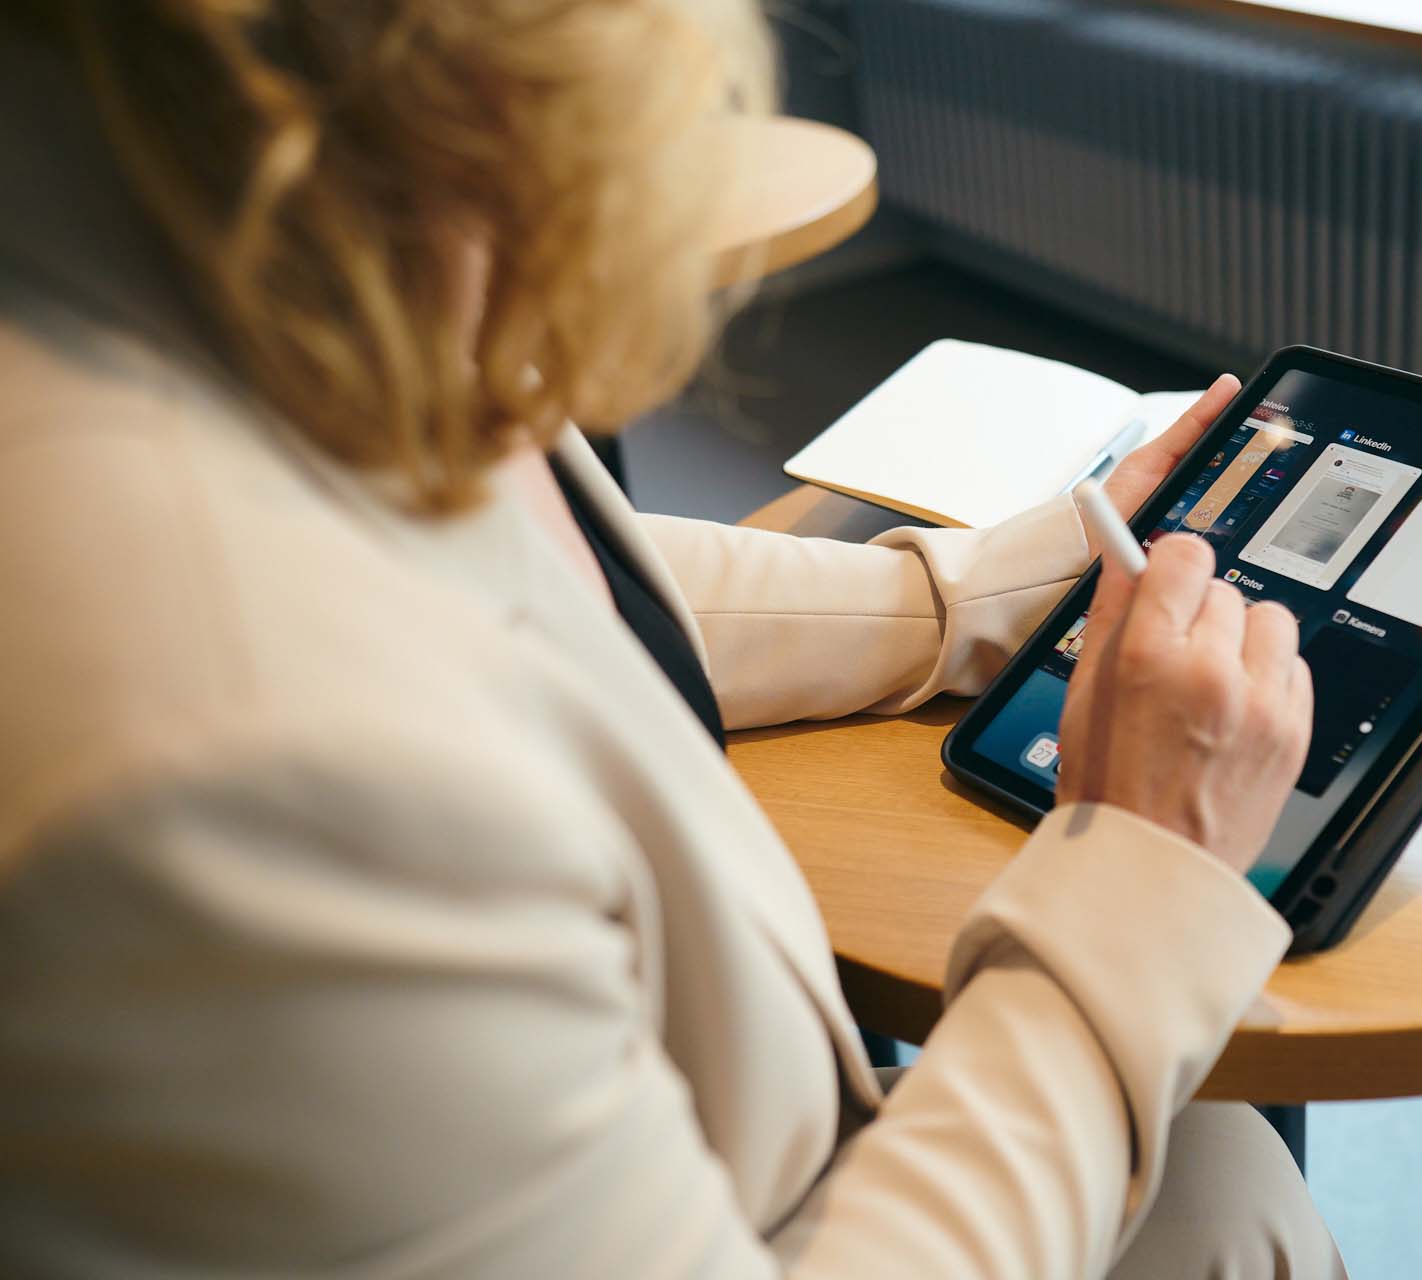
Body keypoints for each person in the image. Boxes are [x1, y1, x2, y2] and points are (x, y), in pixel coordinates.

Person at [0, 3, 1344, 1276]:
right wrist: (1142, 877)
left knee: (1220, 1158)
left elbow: (550, 586)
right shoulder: (239, 751)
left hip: (710, 1130)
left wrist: (989, 591)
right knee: (1220, 1150)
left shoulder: (231, 244)